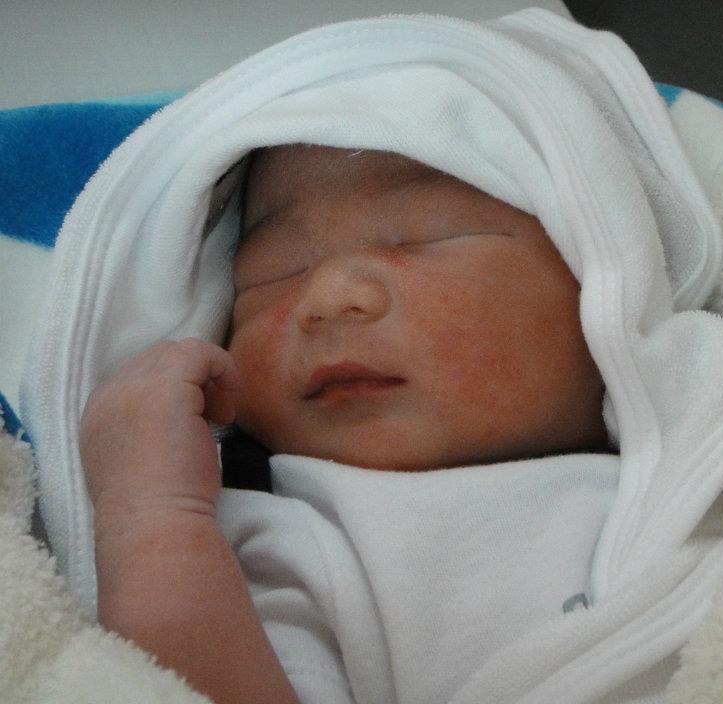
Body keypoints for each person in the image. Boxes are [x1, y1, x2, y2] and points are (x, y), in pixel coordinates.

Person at [79, 143, 617, 703]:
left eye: (422, 238)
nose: (326, 297)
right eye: (275, 271)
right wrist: (152, 517)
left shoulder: (679, 469)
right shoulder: (274, 549)